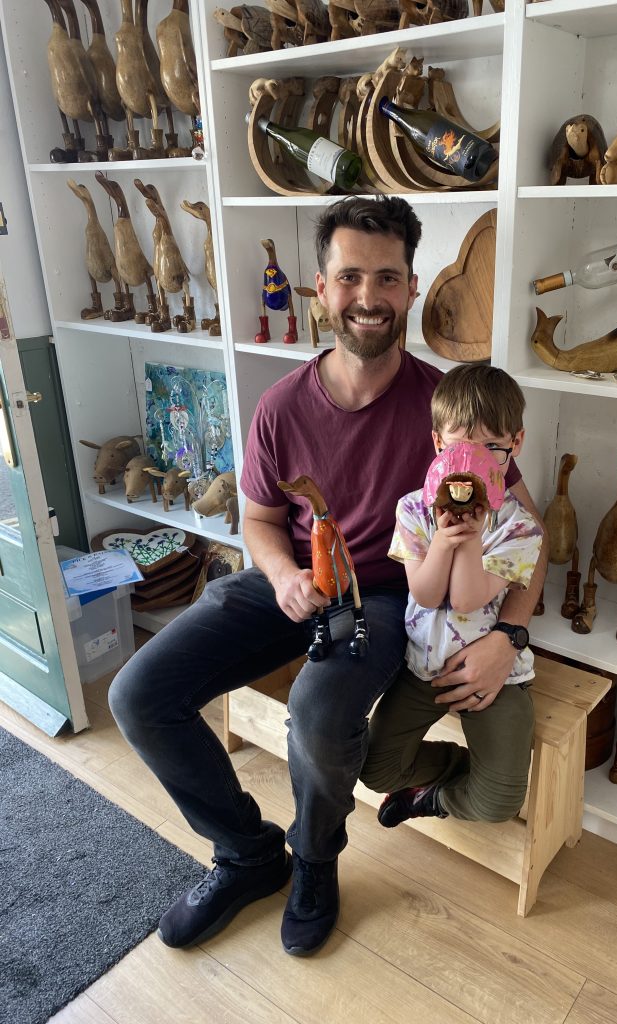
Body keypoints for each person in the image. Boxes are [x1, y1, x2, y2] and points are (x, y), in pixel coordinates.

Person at [108, 196, 547, 958]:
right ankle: (247, 854)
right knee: (138, 694)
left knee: (316, 714)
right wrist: (277, 574)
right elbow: (257, 521)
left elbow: (528, 536)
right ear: (320, 288)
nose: (369, 297)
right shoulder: (280, 408)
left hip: (387, 596)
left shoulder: (447, 409)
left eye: (387, 277)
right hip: (293, 580)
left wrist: (511, 632)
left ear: (412, 288)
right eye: (350, 277)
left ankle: (314, 858)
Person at [360, 364, 543, 827]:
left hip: (494, 681)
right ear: (439, 443)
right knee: (375, 767)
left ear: (514, 445)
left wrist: (473, 536)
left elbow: (466, 600)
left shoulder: (519, 526)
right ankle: (450, 770)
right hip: (424, 667)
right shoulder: (413, 509)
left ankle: (432, 800)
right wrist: (443, 539)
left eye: (490, 448)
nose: (473, 462)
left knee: (501, 802)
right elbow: (423, 593)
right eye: (461, 447)